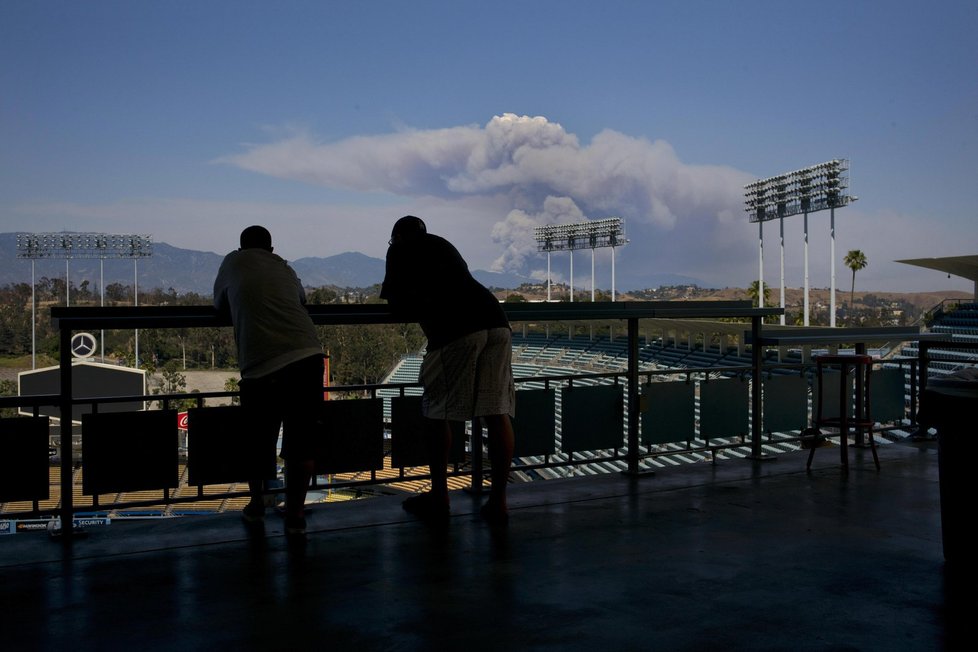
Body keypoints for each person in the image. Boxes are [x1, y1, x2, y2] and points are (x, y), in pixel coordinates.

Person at [380, 215, 515, 525]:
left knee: (436, 413)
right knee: (496, 413)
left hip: (456, 330)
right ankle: (499, 503)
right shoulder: (442, 244)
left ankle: (439, 496)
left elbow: (395, 303)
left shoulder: (400, 249)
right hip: (496, 321)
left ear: (397, 237)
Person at [213, 225, 324, 536]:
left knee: (258, 441)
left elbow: (218, 305)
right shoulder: (283, 266)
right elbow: (301, 299)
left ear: (240, 246)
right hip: (307, 355)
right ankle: (296, 515)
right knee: (301, 444)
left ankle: (257, 505)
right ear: (271, 249)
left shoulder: (232, 262)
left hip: (261, 365)